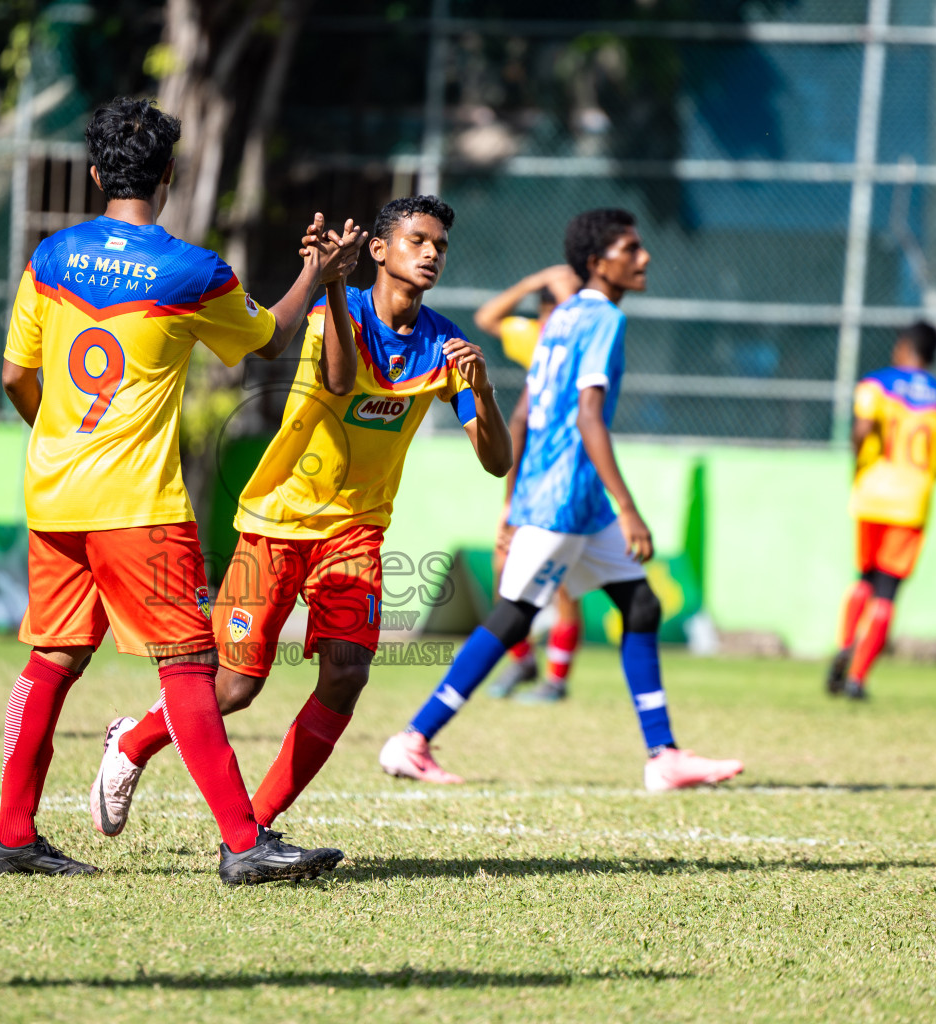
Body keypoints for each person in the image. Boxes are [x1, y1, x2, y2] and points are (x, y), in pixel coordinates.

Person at [0, 97, 362, 885]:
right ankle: (243, 842)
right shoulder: (190, 270)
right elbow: (269, 336)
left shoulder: (50, 257)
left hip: (53, 494)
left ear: (94, 174)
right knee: (188, 669)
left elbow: (17, 375)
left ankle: (12, 835)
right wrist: (313, 275)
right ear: (169, 174)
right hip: (138, 507)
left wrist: (58, 440)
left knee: (50, 659)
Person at [90, 194, 513, 838]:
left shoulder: (444, 347)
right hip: (276, 522)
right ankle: (132, 743)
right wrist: (337, 289)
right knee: (234, 690)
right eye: (417, 240)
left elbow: (496, 461)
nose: (431, 254)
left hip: (356, 531)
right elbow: (341, 382)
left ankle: (254, 828)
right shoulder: (327, 316)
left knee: (346, 675)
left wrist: (481, 392)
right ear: (379, 249)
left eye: (441, 246)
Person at [378, 208, 744, 791]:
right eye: (632, 248)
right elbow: (589, 415)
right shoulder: (601, 320)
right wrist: (628, 507)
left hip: (563, 497)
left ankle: (664, 756)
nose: (644, 257)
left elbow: (523, 412)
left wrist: (510, 502)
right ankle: (413, 739)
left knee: (641, 606)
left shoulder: (563, 317)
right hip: (567, 497)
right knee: (513, 615)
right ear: (599, 263)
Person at [473, 265, 588, 702]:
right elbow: (486, 318)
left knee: (562, 578)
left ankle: (557, 678)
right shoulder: (536, 341)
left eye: (557, 307)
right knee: (505, 566)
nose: (549, 318)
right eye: (545, 309)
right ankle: (522, 660)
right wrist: (528, 282)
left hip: (568, 472)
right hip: (531, 473)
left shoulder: (582, 343)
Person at [826, 321, 936, 699]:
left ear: (903, 347)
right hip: (911, 503)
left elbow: (862, 428)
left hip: (871, 495)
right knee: (887, 593)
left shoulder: (875, 384)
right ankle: (857, 677)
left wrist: (858, 466)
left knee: (863, 579)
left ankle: (844, 644)